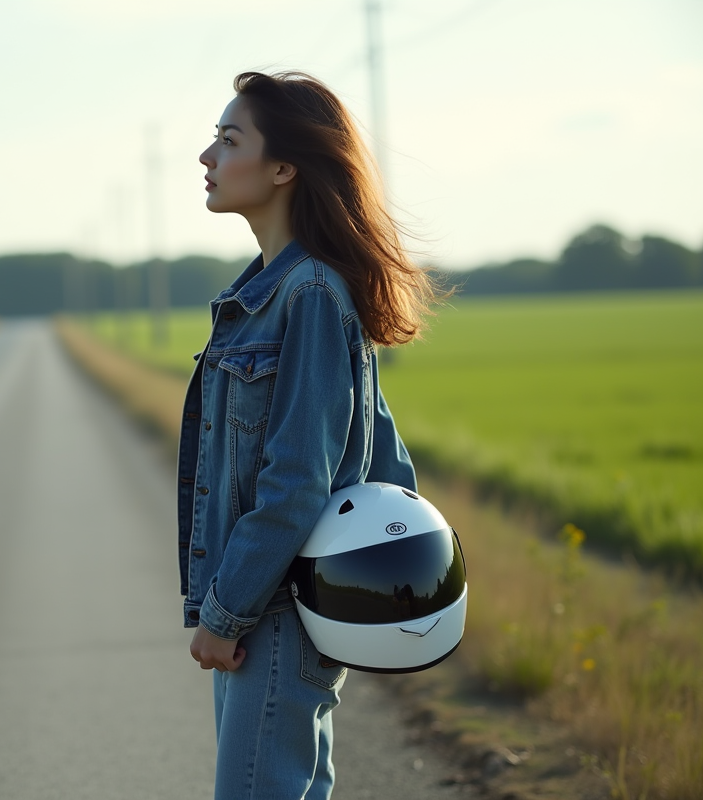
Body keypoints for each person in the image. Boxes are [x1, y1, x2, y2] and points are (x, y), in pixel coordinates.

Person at [178, 71, 439, 799]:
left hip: (275, 613)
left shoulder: (312, 295)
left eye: (230, 140)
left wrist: (226, 613)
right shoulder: (263, 296)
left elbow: (297, 483)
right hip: (270, 611)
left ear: (283, 168)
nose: (207, 156)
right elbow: (386, 458)